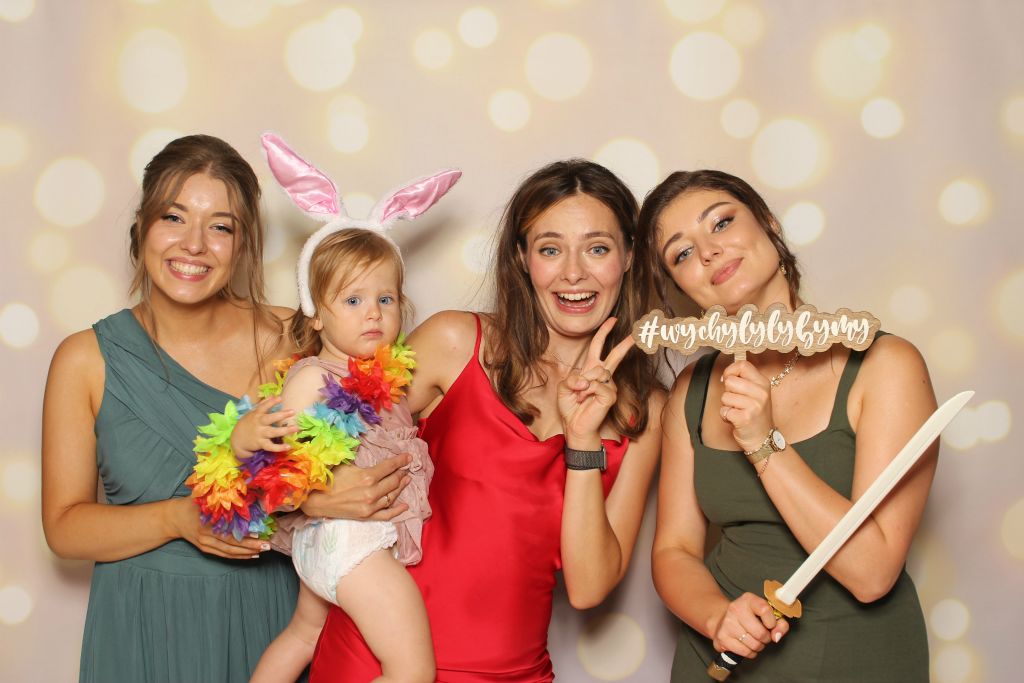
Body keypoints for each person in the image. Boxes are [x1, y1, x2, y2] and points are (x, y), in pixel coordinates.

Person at [40, 134, 410, 683]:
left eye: (220, 226)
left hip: (272, 617)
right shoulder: (85, 359)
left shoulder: (292, 335)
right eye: (173, 217)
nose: (194, 244)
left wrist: (313, 497)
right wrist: (176, 518)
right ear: (141, 227)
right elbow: (64, 529)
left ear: (243, 245)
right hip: (145, 625)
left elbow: (387, 419)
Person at [309, 159, 666, 682]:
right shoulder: (455, 343)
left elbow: (589, 588)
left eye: (597, 248)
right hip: (377, 662)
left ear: (629, 256)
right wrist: (312, 498)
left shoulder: (645, 410)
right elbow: (315, 434)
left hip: (510, 672)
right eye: (550, 249)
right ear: (522, 258)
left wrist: (583, 439)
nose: (573, 273)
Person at [642, 170, 936, 682]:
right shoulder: (692, 389)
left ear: (769, 224)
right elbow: (674, 550)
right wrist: (717, 617)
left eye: (721, 223)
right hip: (721, 660)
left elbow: (872, 573)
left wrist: (764, 443)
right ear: (679, 286)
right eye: (682, 253)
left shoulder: (885, 366)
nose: (708, 252)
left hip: (854, 661)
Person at [245, 228, 435, 683]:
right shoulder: (313, 378)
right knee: (412, 671)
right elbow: (276, 467)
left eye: (386, 299)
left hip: (327, 548)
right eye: (353, 300)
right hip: (352, 541)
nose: (373, 313)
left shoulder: (384, 381)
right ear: (314, 315)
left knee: (303, 636)